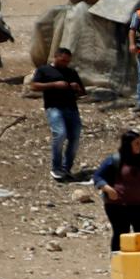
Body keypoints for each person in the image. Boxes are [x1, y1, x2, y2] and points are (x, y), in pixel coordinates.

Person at [27, 44, 87, 179]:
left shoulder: (72, 73)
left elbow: (83, 93)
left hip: (72, 108)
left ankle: (66, 168)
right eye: (63, 60)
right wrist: (54, 85)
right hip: (54, 107)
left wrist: (77, 88)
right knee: (60, 134)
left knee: (75, 138)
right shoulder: (44, 70)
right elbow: (34, 86)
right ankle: (56, 167)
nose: (65, 63)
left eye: (67, 61)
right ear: (56, 57)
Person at [94, 131, 140, 249]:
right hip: (118, 207)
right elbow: (98, 177)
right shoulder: (114, 160)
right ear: (128, 144)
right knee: (120, 235)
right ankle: (117, 263)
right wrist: (108, 189)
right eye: (137, 143)